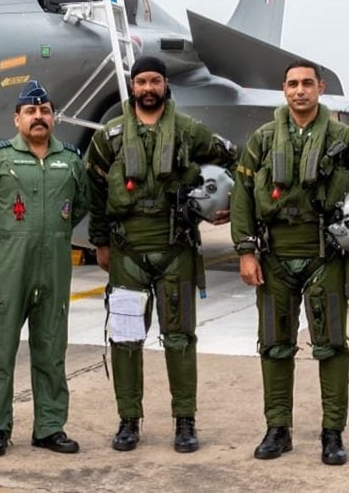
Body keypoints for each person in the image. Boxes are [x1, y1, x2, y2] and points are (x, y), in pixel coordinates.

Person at [231, 59, 349, 465]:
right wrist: (244, 250)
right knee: (274, 346)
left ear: (320, 88)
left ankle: (332, 433)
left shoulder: (344, 138)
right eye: (292, 83)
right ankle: (278, 430)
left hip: (325, 257)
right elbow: (242, 193)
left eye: (307, 83)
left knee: (330, 347)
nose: (299, 90)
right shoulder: (263, 139)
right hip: (274, 258)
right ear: (284, 89)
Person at [86, 55, 236, 453]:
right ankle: (128, 421)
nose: (148, 89)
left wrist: (228, 204)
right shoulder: (111, 136)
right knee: (125, 338)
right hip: (126, 252)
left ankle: (185, 422)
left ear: (166, 85)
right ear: (132, 87)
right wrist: (99, 242)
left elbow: (235, 162)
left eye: (155, 81)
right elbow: (95, 189)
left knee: (180, 339)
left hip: (176, 249)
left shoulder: (189, 132)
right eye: (141, 82)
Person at [0, 80, 88, 457]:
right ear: (17, 119)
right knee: (0, 350)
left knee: (51, 348)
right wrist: (3, 239)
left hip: (53, 270)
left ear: (53, 119)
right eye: (31, 111)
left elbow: (80, 205)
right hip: (9, 271)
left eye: (45, 111)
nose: (39, 117)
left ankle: (49, 427)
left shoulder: (70, 159)